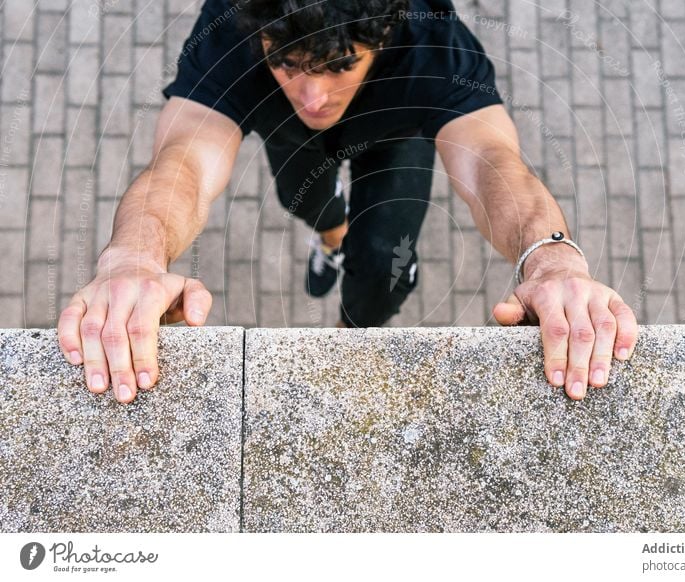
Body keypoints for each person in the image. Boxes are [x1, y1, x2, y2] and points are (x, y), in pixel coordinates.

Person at [57, 0, 638, 404]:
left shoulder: (430, 42)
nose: (312, 96)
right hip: (290, 145)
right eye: (287, 64)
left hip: (396, 137)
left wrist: (551, 261)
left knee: (385, 264)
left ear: (381, 38)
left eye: (338, 67)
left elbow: (493, 164)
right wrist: (133, 257)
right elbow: (182, 161)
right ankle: (331, 240)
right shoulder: (233, 25)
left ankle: (348, 329)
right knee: (310, 206)